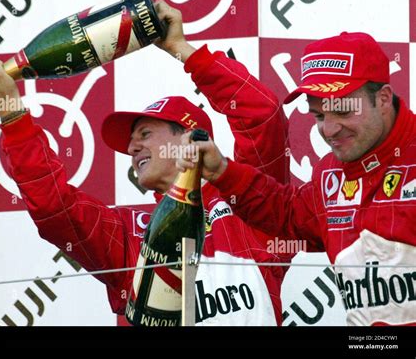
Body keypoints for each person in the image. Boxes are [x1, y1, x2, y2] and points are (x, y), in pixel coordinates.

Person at [0, 1, 292, 326]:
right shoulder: (129, 231)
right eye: (133, 141)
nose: (133, 147)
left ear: (189, 137)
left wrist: (180, 48)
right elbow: (55, 209)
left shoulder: (249, 206)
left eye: (146, 133)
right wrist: (11, 111)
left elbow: (262, 114)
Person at [177, 32, 416, 326]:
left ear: (383, 98)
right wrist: (222, 173)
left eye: (342, 110)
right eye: (318, 116)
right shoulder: (330, 172)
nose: (329, 130)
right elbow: (287, 216)